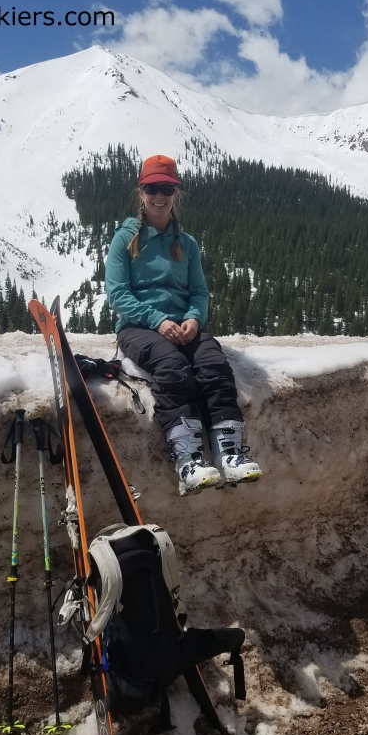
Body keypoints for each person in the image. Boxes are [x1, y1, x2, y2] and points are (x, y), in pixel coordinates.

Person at [105, 154, 262, 496]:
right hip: (137, 327)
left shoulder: (186, 243)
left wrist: (194, 317)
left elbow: (199, 291)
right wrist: (157, 320)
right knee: (173, 367)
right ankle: (187, 459)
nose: (159, 195)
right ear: (141, 191)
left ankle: (229, 453)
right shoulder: (125, 239)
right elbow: (117, 294)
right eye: (152, 188)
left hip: (183, 325)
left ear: (175, 192)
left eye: (166, 188)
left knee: (213, 365)